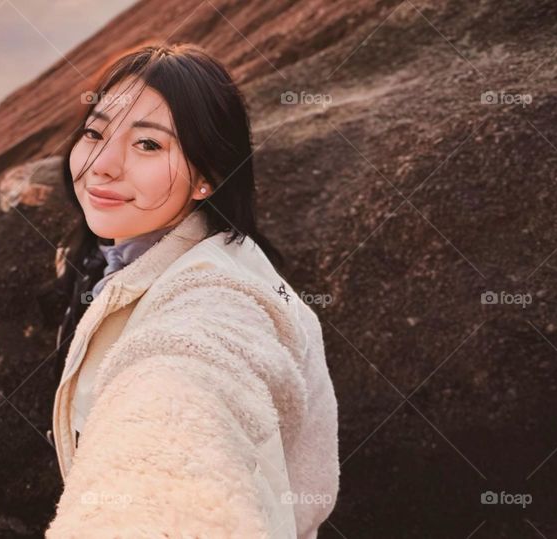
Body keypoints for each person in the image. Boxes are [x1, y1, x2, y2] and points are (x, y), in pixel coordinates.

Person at [44, 42, 340, 538]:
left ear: (206, 178)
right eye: (95, 132)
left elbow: (184, 394)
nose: (103, 164)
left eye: (148, 145)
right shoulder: (118, 252)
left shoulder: (219, 297)